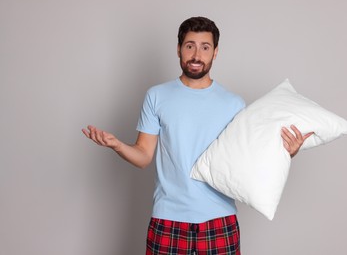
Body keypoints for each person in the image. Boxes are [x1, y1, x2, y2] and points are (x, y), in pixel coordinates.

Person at [82, 16, 312, 255]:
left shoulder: (233, 104)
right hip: (168, 218)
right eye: (190, 45)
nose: (196, 55)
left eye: (205, 47)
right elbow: (143, 156)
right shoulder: (156, 96)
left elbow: (248, 162)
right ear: (179, 49)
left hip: (220, 219)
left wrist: (286, 153)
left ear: (215, 53)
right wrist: (117, 145)